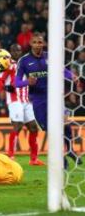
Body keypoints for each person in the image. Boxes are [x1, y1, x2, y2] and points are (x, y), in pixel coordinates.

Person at [15, 32, 75, 167]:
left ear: (44, 44)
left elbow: (62, 70)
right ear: (30, 44)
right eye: (35, 42)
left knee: (65, 123)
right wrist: (27, 82)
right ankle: (61, 156)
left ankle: (70, 150)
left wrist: (72, 76)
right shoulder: (24, 61)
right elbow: (17, 83)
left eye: (40, 42)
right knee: (51, 130)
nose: (37, 45)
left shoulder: (50, 57)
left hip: (54, 97)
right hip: (38, 101)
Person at [0, 44, 44, 165]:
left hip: (27, 101)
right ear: (10, 52)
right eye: (13, 50)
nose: (16, 52)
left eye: (18, 50)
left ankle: (33, 159)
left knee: (33, 128)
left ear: (21, 51)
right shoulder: (7, 65)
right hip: (15, 100)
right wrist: (7, 87)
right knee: (16, 126)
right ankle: (11, 156)